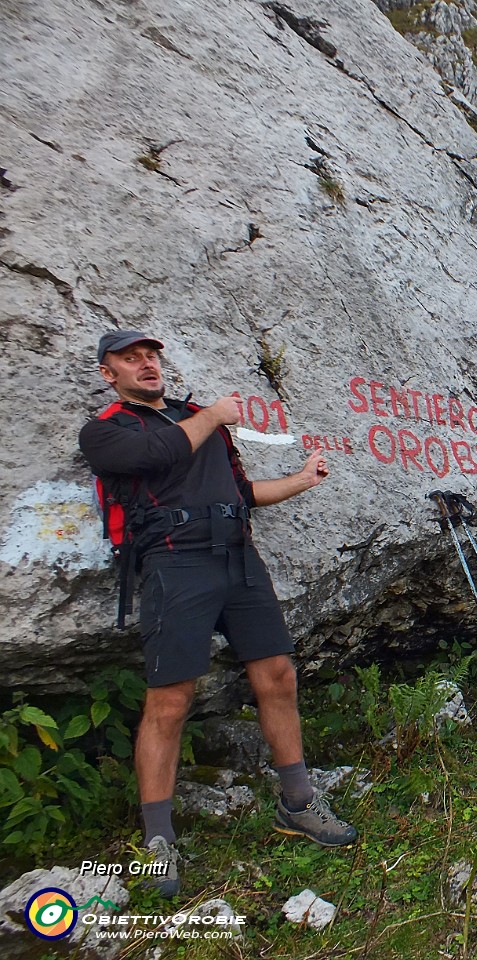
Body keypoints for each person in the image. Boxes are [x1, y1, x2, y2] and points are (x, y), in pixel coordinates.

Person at [79, 330, 357, 898]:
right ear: (110, 373)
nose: (146, 365)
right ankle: (157, 838)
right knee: (172, 696)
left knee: (277, 675)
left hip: (237, 556)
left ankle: (298, 801)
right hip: (174, 563)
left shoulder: (196, 420)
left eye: (152, 356)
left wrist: (301, 481)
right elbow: (157, 456)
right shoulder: (107, 429)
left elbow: (242, 491)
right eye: (131, 359)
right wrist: (215, 415)